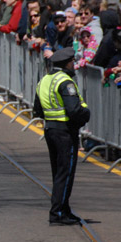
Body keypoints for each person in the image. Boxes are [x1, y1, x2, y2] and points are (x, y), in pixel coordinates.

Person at [33, 47, 91, 225]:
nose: (73, 65)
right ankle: (57, 212)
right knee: (65, 173)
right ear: (67, 63)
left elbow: (37, 109)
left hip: (50, 129)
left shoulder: (44, 80)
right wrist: (85, 113)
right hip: (65, 132)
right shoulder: (65, 82)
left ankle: (63, 209)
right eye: (72, 62)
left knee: (58, 172)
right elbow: (74, 110)